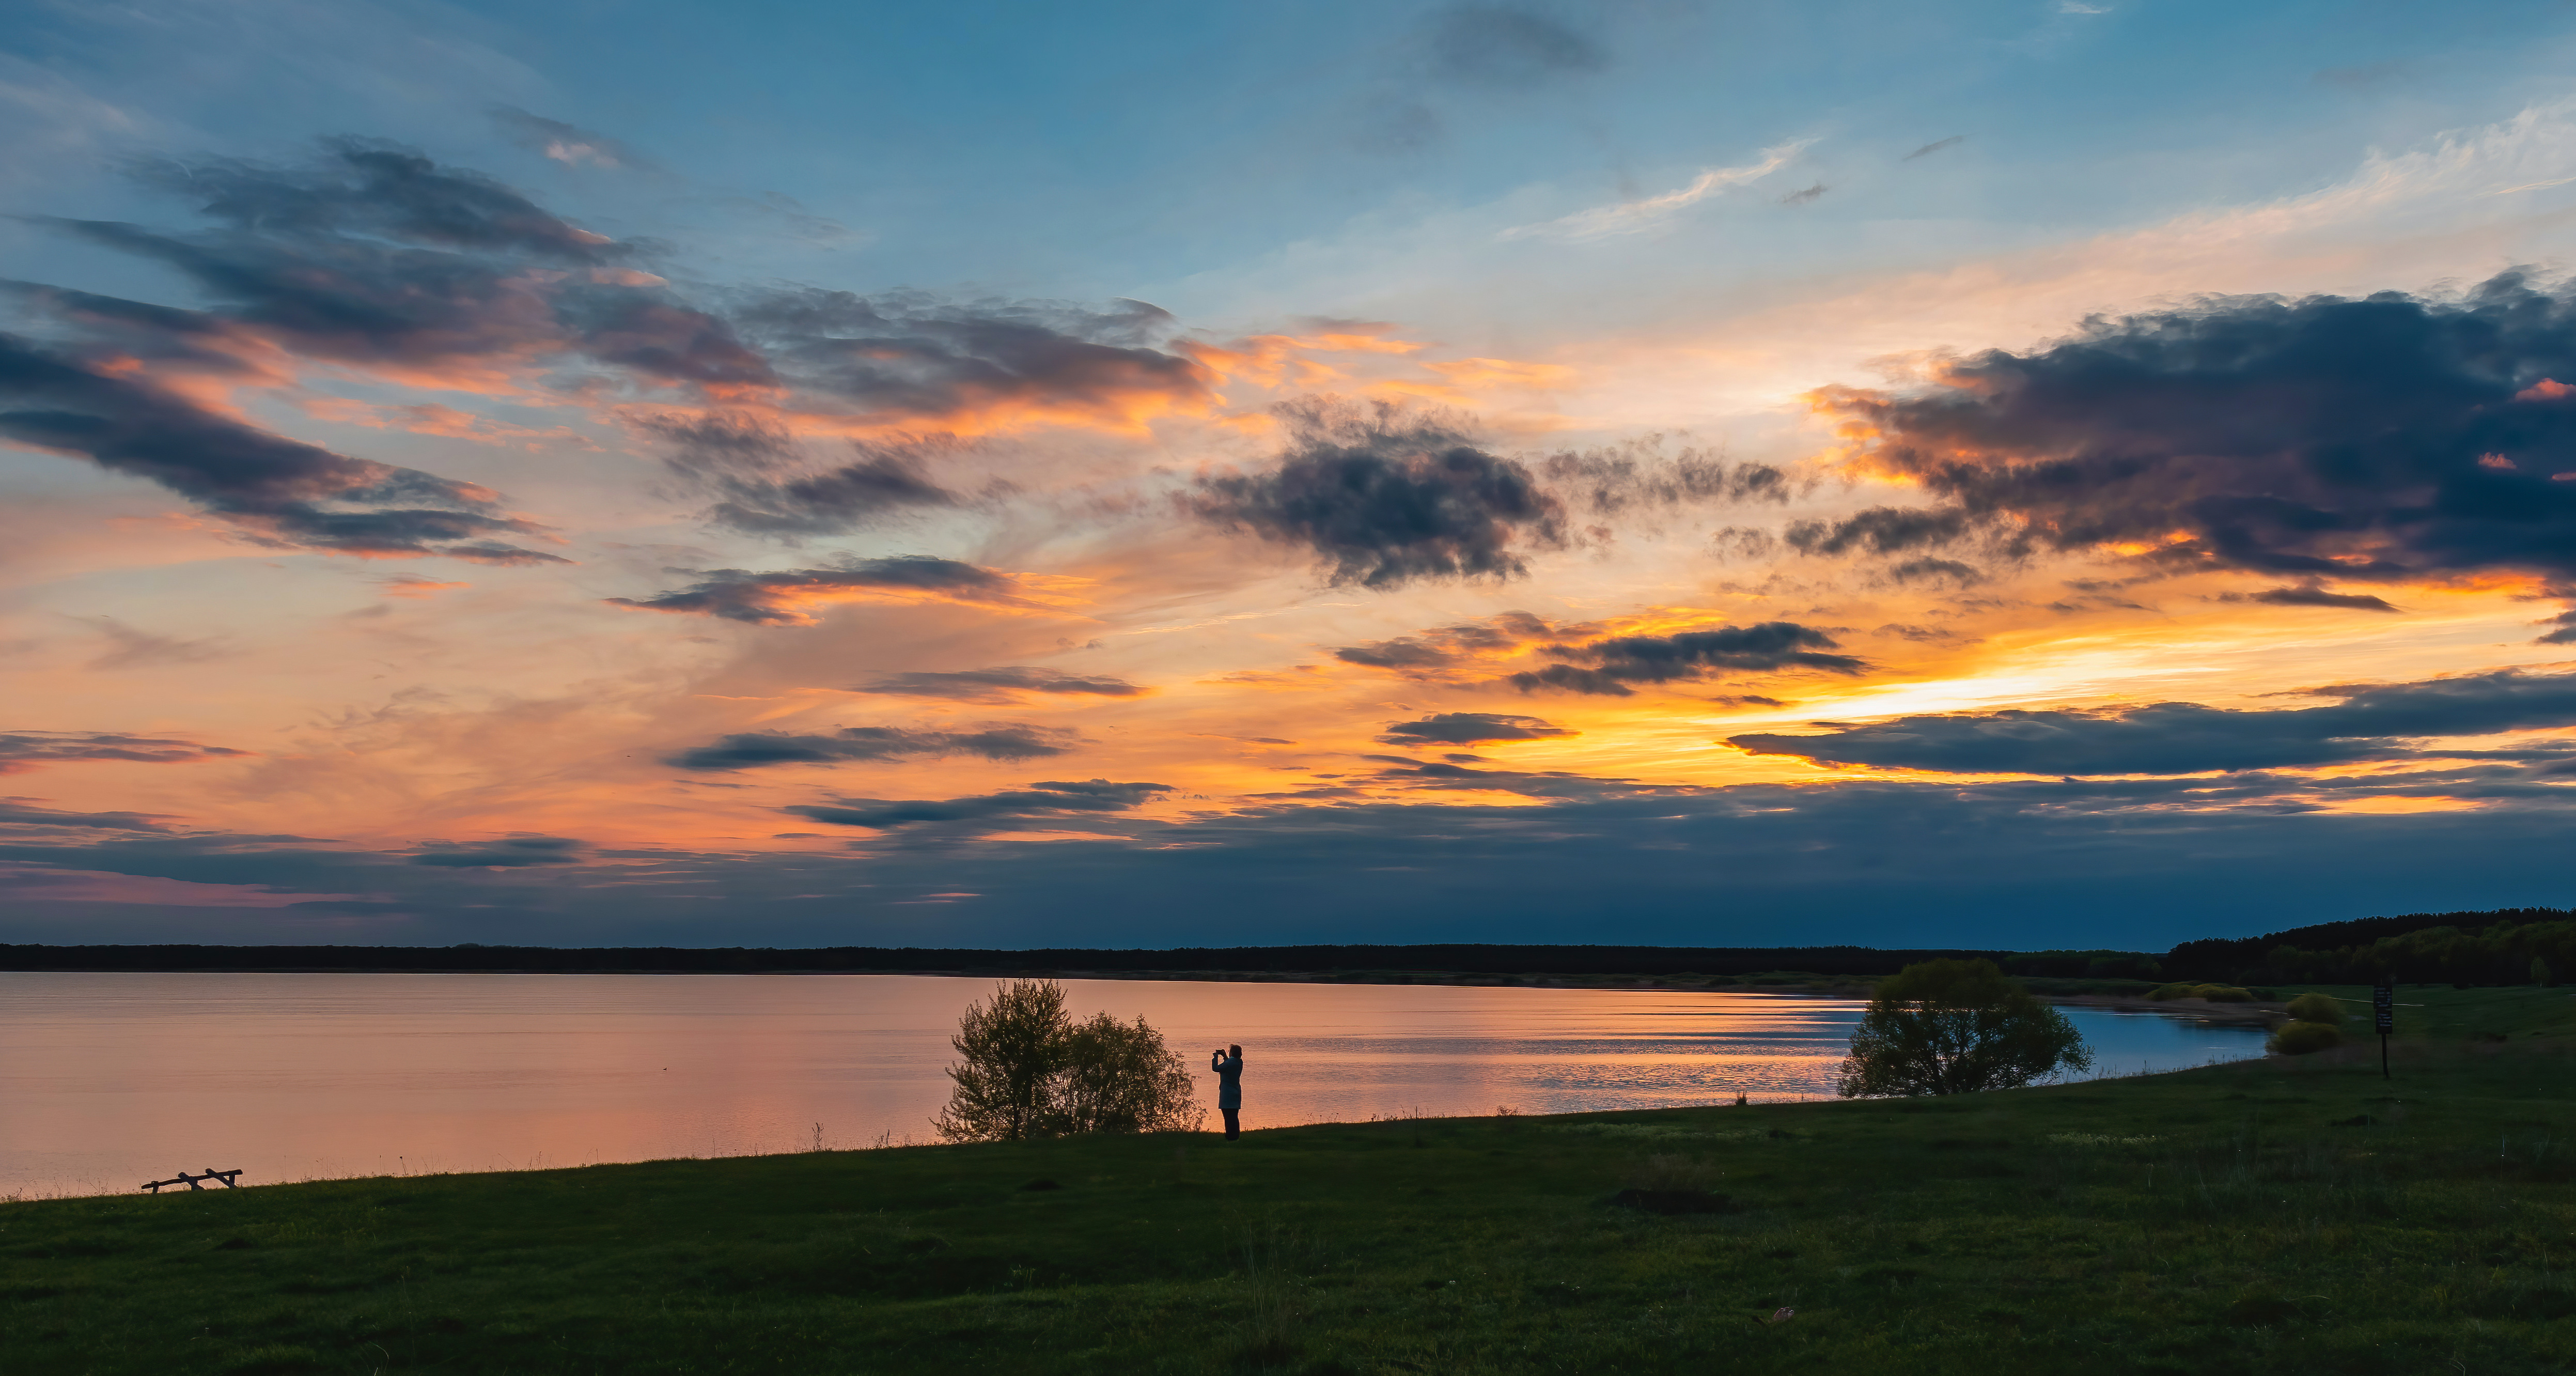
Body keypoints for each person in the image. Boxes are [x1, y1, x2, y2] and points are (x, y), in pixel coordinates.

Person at [1209, 1044, 1244, 1140]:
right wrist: (1225, 1057)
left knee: (1228, 1116)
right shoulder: (1239, 1062)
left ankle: (1230, 1136)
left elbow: (1216, 1068)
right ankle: (1235, 1136)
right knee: (1234, 1116)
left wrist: (1215, 1057)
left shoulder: (1231, 1062)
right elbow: (1228, 1065)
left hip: (1227, 1093)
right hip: (1235, 1092)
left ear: (1232, 1053)